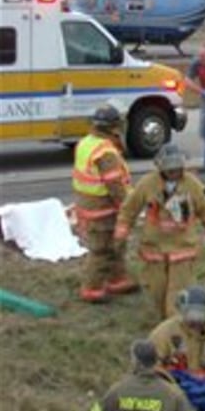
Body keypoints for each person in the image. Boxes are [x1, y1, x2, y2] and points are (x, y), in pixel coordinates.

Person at [114, 144, 205, 318]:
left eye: (177, 168)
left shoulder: (192, 185)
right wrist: (120, 237)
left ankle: (174, 328)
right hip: (154, 251)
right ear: (160, 168)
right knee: (156, 292)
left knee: (176, 297)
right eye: (169, 169)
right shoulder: (147, 184)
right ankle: (164, 323)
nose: (174, 172)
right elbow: (128, 211)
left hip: (182, 250)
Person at [73, 103, 135, 303]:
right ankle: (91, 289)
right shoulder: (106, 152)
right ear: (113, 127)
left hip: (87, 206)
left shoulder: (85, 143)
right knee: (102, 250)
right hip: (102, 210)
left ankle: (118, 279)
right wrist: (128, 206)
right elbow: (115, 185)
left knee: (116, 244)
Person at [148, 285, 205, 374]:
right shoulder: (164, 333)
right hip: (175, 383)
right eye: (191, 314)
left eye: (201, 314)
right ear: (183, 310)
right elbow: (152, 367)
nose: (196, 320)